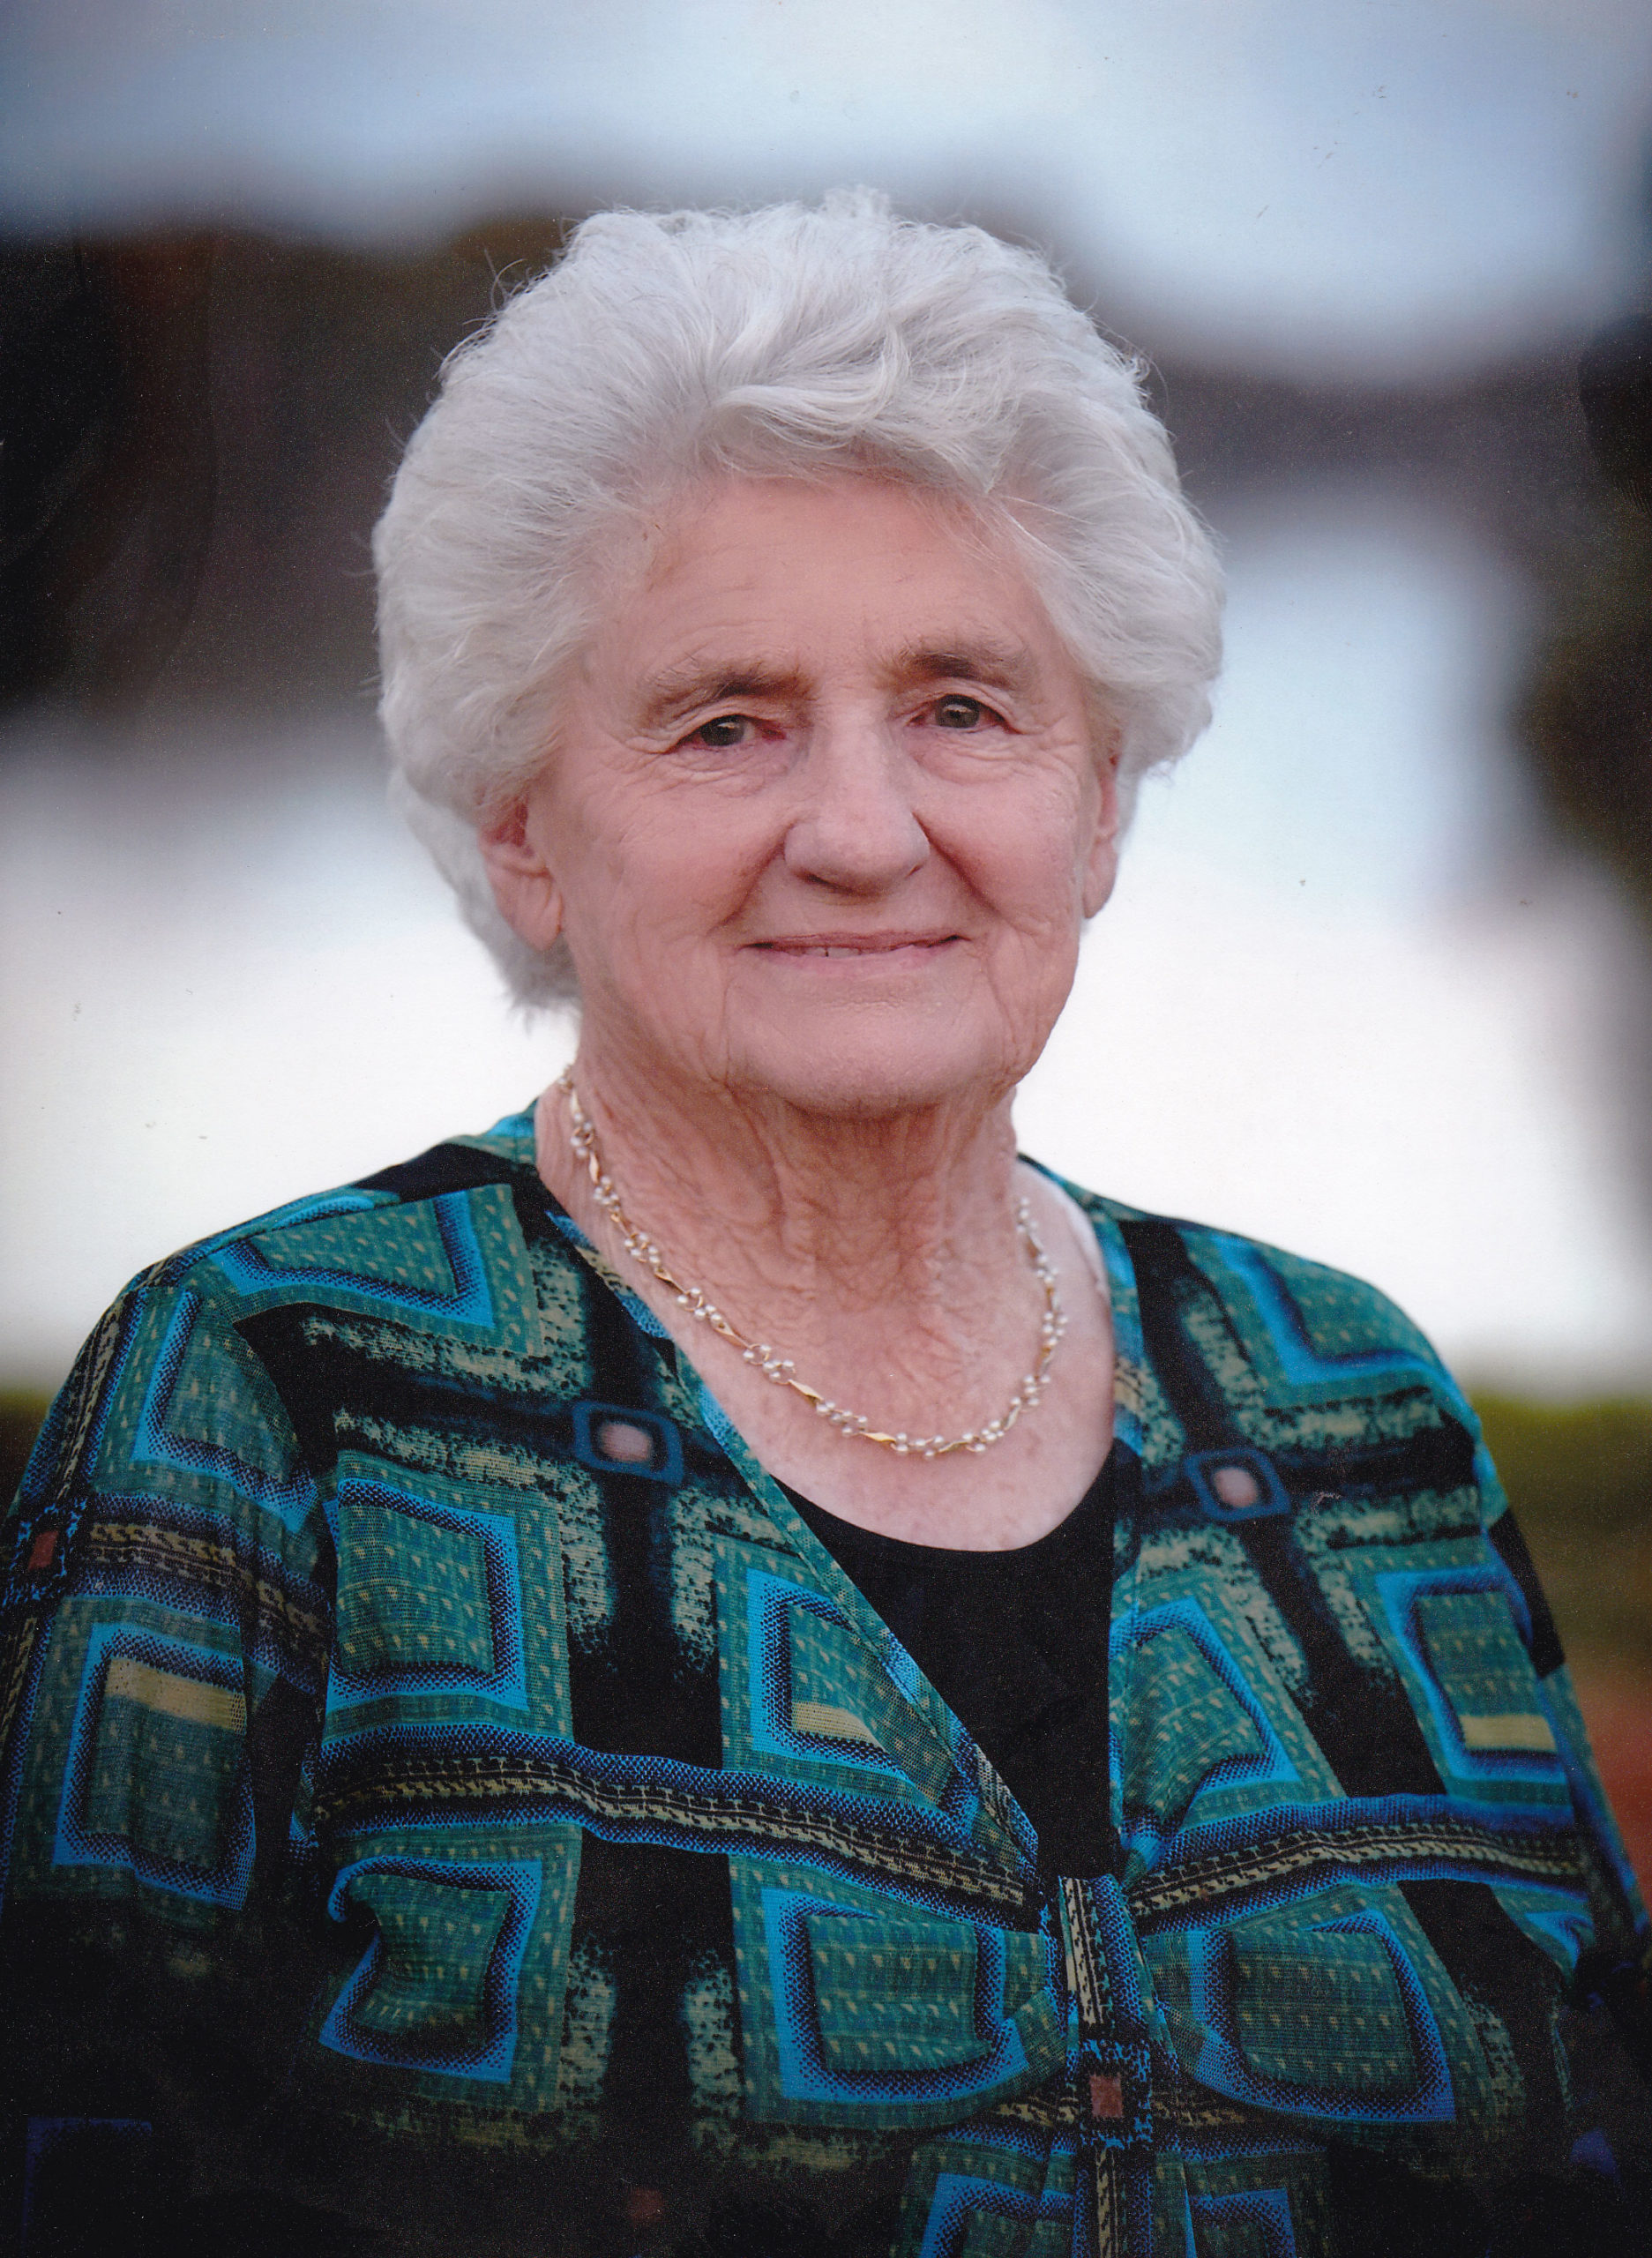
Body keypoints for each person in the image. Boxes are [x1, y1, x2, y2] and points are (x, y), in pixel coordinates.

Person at [2, 193, 1647, 2258]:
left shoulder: (1353, 1402)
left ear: (1098, 801)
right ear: (522, 828)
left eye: (963, 705)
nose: (864, 833)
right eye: (726, 721)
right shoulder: (270, 1395)